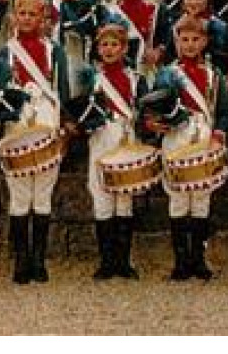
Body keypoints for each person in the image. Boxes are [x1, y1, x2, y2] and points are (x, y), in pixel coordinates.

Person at [0, 0, 72, 283]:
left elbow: (62, 90)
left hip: (47, 123)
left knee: (43, 193)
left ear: (42, 17)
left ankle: (39, 259)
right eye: (21, 13)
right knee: (20, 194)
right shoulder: (6, 52)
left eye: (32, 14)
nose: (26, 18)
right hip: (18, 126)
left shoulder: (54, 51)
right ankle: (21, 260)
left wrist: (64, 127)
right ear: (14, 16)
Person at [143, 14, 228, 281]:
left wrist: (219, 134)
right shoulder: (167, 74)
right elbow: (154, 107)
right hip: (176, 138)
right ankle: (181, 262)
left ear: (204, 42)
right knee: (179, 198)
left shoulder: (214, 75)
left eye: (195, 39)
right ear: (177, 42)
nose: (190, 45)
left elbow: (223, 112)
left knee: (202, 199)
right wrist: (154, 123)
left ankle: (198, 260)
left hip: (204, 138)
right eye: (184, 40)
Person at [75, 21, 148, 280]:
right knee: (102, 196)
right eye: (104, 44)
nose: (108, 49)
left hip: (125, 138)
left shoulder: (136, 79)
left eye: (114, 44)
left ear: (124, 48)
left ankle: (123, 261)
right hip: (100, 139)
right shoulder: (92, 79)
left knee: (124, 199)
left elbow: (143, 113)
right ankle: (106, 261)